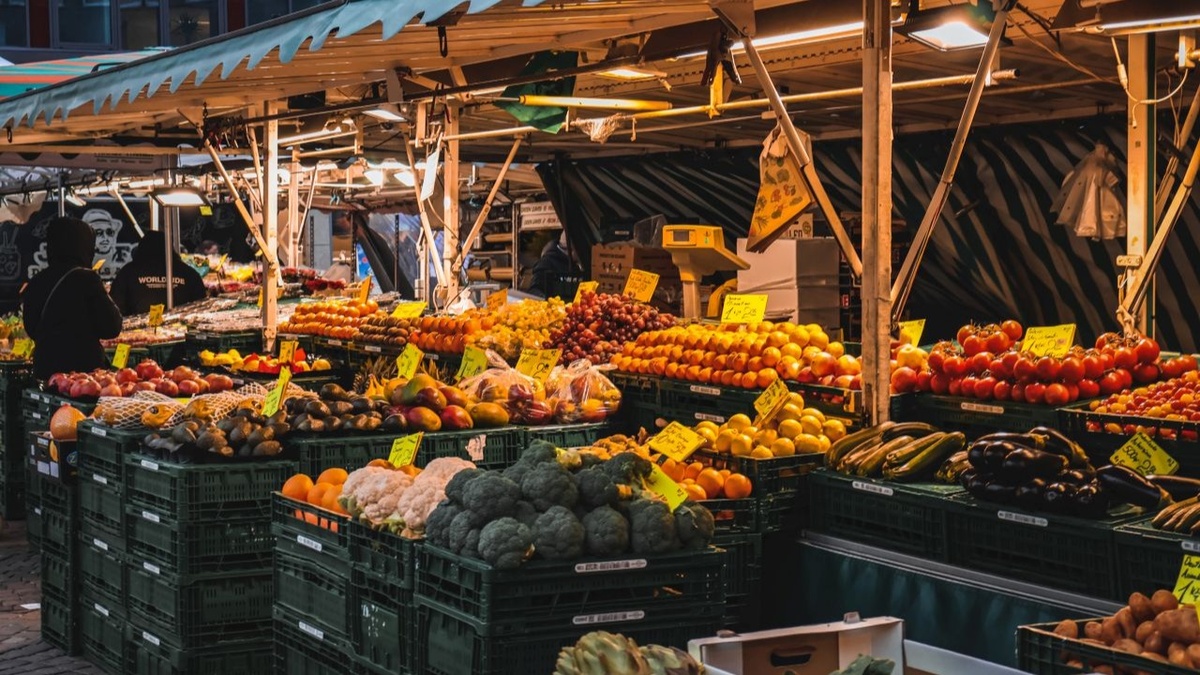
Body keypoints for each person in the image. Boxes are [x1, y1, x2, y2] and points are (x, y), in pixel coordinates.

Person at [22, 217, 123, 380]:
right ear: (84, 245)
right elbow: (111, 327)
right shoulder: (87, 279)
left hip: (46, 371)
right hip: (83, 375)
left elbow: (31, 327)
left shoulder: (37, 281)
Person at [108, 230, 207, 315]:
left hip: (138, 331)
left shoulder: (128, 272)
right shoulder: (189, 274)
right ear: (170, 248)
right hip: (181, 329)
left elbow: (115, 308)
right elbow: (202, 307)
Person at [530, 230, 575, 298]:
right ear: (572, 251)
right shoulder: (546, 264)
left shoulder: (574, 264)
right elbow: (535, 291)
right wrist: (552, 302)